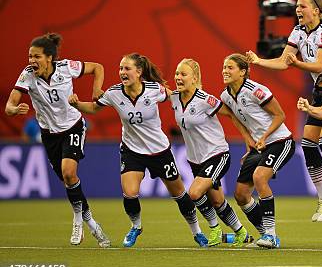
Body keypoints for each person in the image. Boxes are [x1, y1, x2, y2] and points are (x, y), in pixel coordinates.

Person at [69, 53, 208, 248]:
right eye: (120, 69)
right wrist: (77, 105)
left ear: (139, 71)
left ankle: (197, 232)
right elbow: (93, 107)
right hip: (132, 151)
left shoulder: (155, 90)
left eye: (127, 69)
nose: (122, 73)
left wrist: (196, 104)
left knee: (179, 193)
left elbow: (177, 97)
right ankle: (136, 226)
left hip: (159, 151)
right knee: (130, 192)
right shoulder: (114, 93)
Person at [246, 0, 322, 222]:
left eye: (302, 6)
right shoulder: (298, 31)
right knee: (309, 144)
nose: (297, 9)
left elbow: (321, 65)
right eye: (297, 6)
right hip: (320, 92)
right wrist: (259, 61)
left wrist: (296, 63)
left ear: (316, 10)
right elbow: (283, 62)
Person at [5, 33, 110, 247]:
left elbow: (97, 67)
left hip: (72, 126)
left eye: (36, 57)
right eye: (29, 57)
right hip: (49, 134)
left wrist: (96, 90)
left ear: (49, 58)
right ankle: (91, 223)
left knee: (69, 172)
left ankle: (77, 221)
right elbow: (9, 106)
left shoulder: (66, 67)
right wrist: (14, 109)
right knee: (69, 181)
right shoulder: (27, 75)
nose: (31, 61)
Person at [171, 58, 254, 247]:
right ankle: (241, 233)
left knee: (193, 193)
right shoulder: (174, 98)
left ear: (195, 78)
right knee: (217, 202)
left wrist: (248, 139)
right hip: (195, 159)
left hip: (217, 154)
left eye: (184, 74)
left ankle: (214, 229)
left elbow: (232, 114)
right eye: (177, 74)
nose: (178, 77)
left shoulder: (205, 100)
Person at [220, 54, 296, 249]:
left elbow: (280, 115)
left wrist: (264, 137)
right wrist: (249, 142)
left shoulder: (257, 90)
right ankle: (265, 236)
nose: (225, 71)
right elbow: (236, 119)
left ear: (243, 72)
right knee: (241, 194)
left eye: (230, 67)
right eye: (224, 67)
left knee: (260, 178)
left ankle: (270, 235)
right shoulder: (226, 95)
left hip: (280, 141)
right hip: (259, 146)